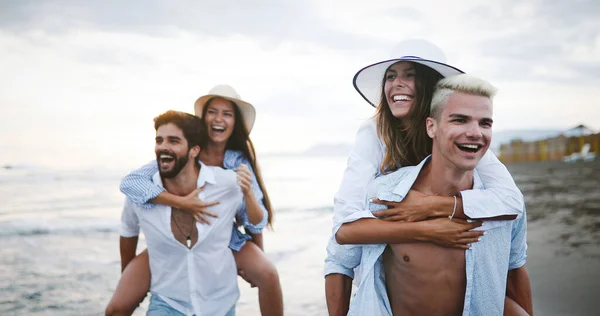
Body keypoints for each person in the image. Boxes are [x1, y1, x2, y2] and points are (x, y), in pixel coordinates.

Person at [325, 40, 524, 315]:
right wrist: (427, 230)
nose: (397, 83)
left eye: (410, 75)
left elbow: (512, 202)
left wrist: (433, 207)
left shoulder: (463, 135)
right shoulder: (374, 134)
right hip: (395, 271)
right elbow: (343, 229)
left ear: (432, 87)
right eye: (391, 76)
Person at [106, 86, 283, 316]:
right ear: (204, 118)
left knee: (267, 273)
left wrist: (257, 260)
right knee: (117, 306)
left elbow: (253, 222)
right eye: (212, 112)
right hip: (173, 238)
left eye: (227, 114)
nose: (219, 119)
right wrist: (181, 203)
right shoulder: (184, 148)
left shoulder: (237, 161)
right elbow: (133, 183)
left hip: (225, 235)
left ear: (235, 122)